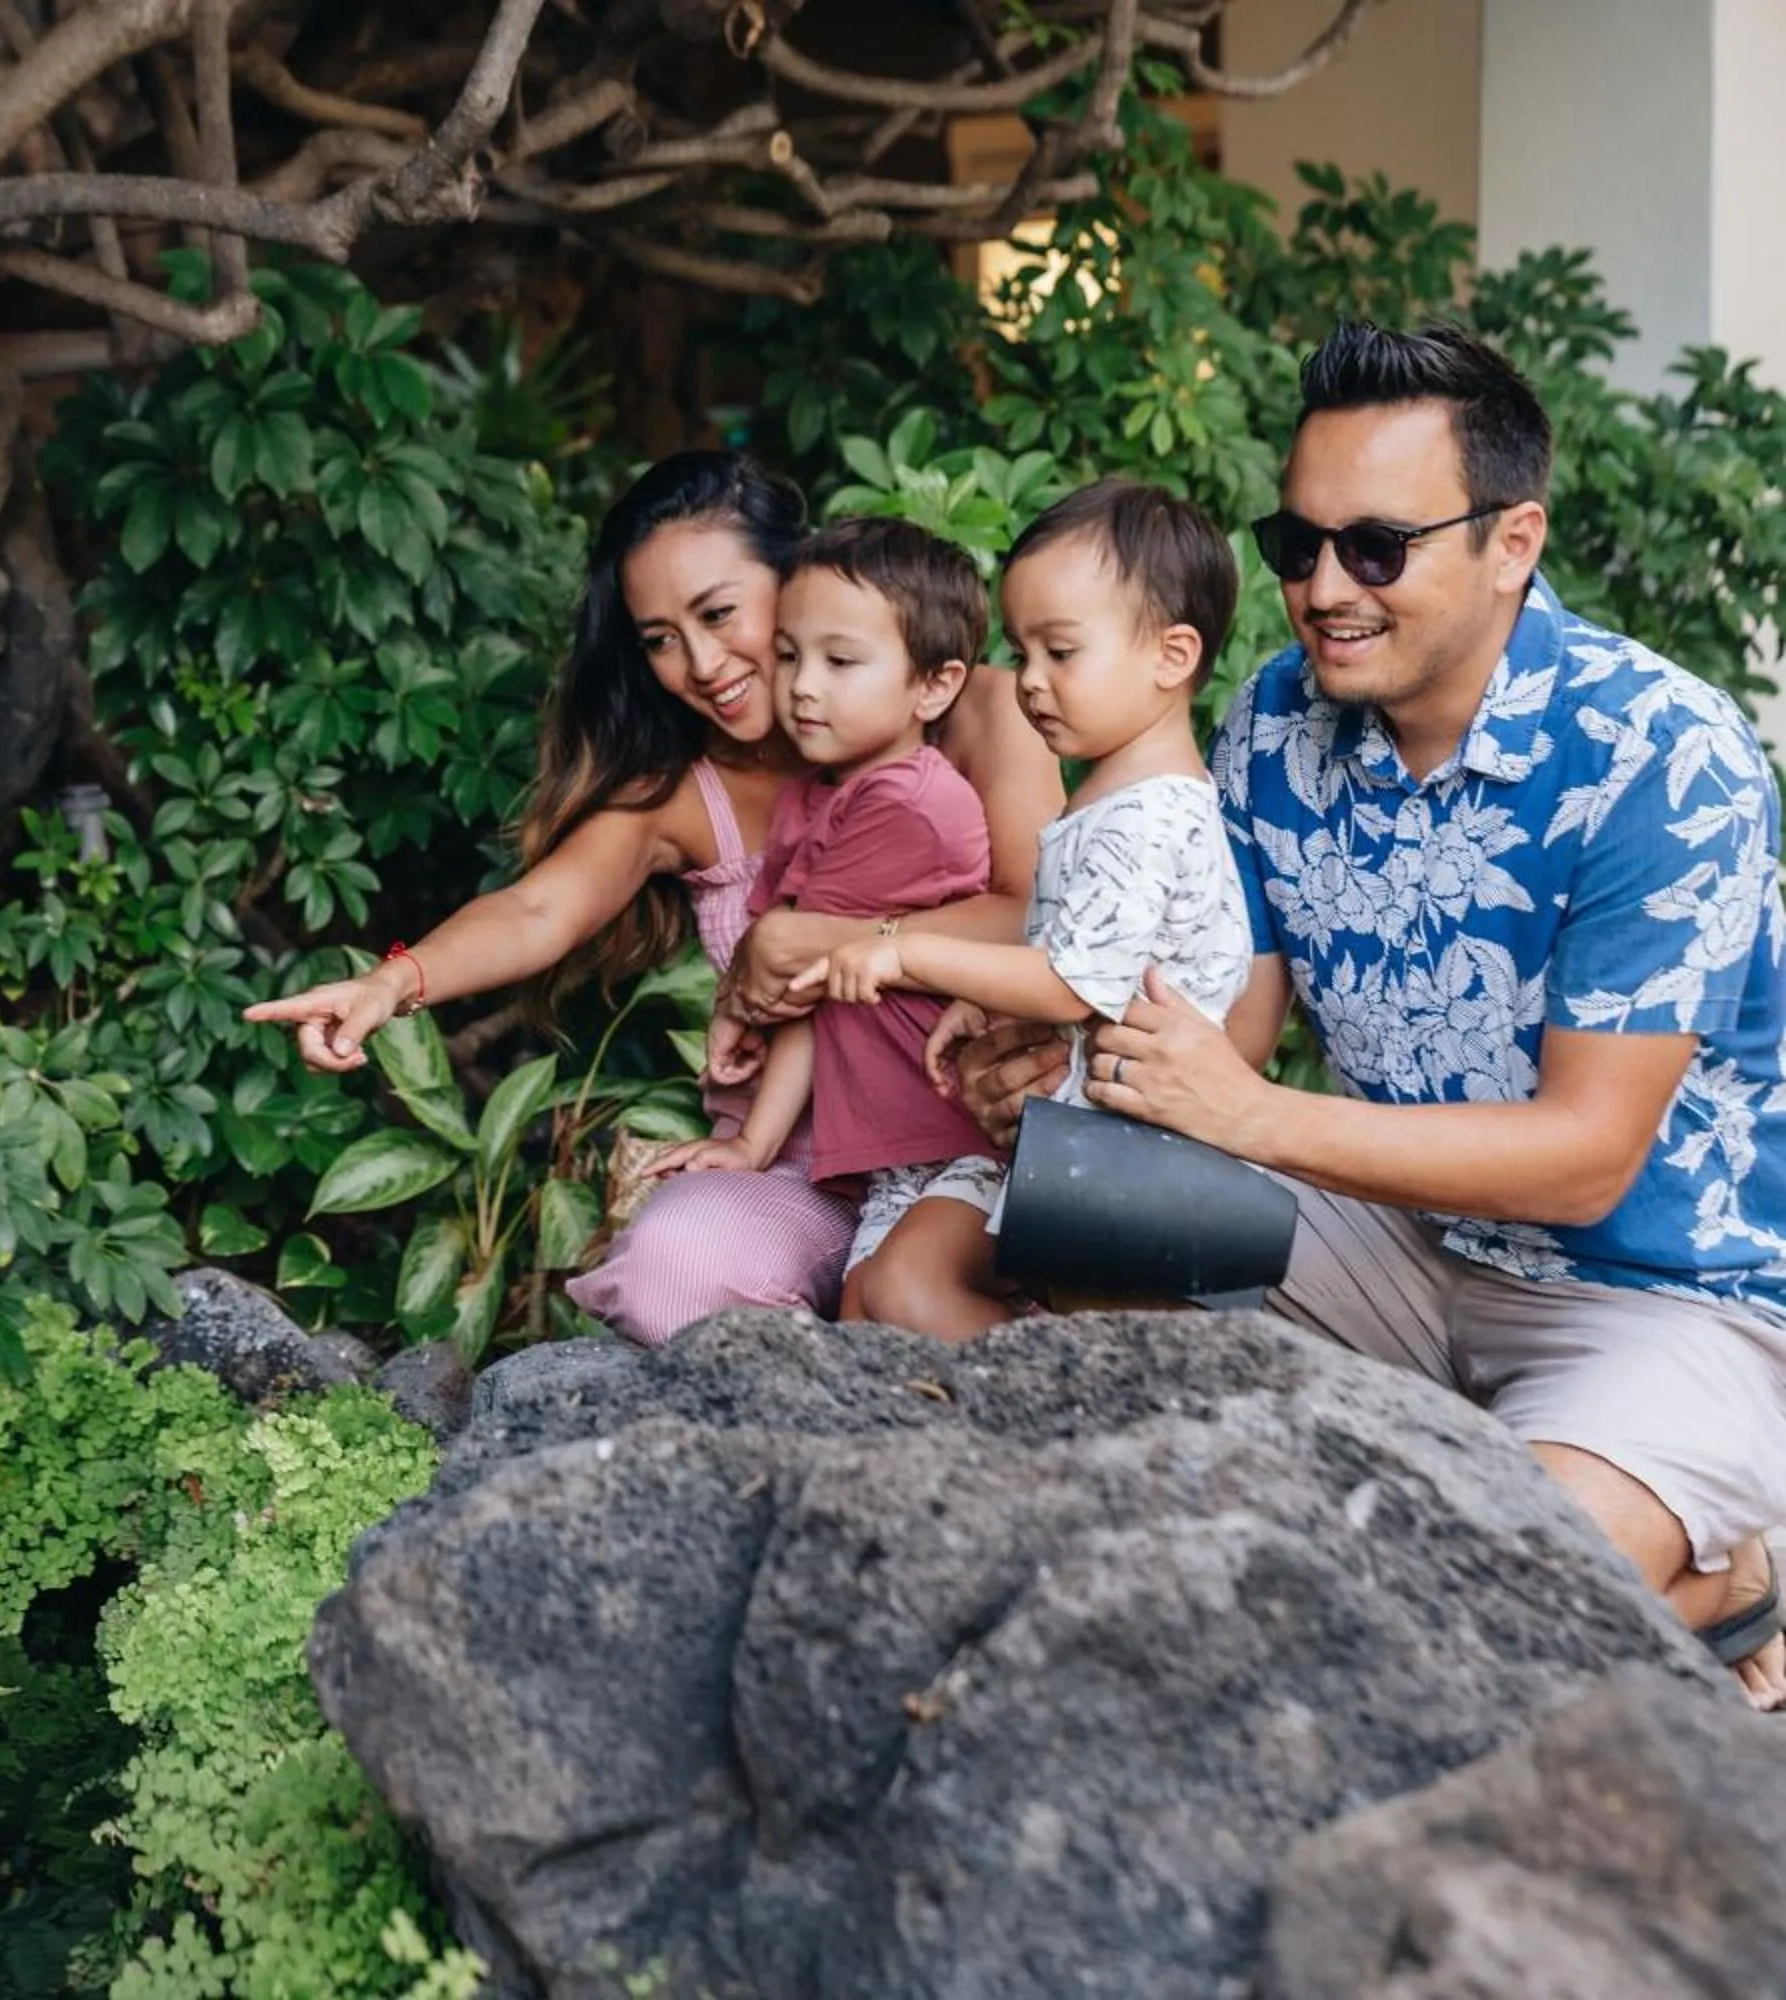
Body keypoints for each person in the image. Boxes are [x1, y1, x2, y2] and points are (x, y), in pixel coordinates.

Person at [954, 322, 1786, 1705]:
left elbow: (1587, 1159)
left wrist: (1250, 1114)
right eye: (1299, 545)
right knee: (1067, 1230)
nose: (1323, 590)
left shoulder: (1661, 752)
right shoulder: (1279, 720)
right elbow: (1225, 1038)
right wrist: (1070, 1063)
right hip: (1396, 1236)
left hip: (1658, 1297)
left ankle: (1733, 1577)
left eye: (1377, 549)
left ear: (1513, 542)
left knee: (1491, 1580)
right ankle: (1491, 1483)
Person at [245, 451, 1062, 1343]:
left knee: (938, 1282)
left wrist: (803, 942)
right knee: (672, 1267)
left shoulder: (972, 711)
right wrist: (390, 985)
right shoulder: (685, 795)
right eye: (660, 640)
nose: (702, 664)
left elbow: (1040, 913)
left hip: (966, 1147)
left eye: (719, 614)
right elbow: (535, 911)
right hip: (801, 1172)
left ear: (796, 579)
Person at [799, 481, 1257, 1338]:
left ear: (1172, 655)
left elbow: (1067, 985)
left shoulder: (1151, 816)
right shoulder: (1109, 802)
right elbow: (1079, 959)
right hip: (1063, 1143)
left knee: (905, 1293)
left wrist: (905, 952)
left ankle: (1077, 1406)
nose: (1029, 682)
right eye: (1022, 651)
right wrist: (984, 1001)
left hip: (1130, 1163)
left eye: (1061, 652)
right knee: (879, 1294)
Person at [652, 518, 1008, 1341]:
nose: (803, 686)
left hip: (964, 1138)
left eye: (840, 662)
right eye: (789, 656)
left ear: (935, 686)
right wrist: (755, 1147)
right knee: (864, 1330)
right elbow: (816, 1007)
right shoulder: (813, 801)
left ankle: (1101, 1391)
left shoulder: (910, 805)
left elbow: (782, 979)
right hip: (894, 1162)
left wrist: (743, 1003)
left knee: (914, 1313)